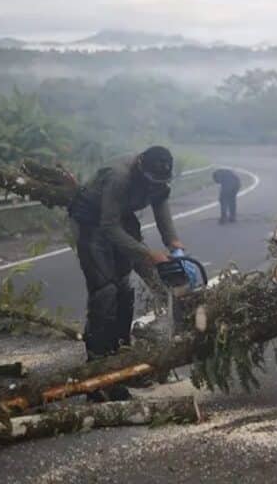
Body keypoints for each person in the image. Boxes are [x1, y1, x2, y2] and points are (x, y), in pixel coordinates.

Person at [68, 146, 187, 398]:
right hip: (92, 222)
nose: (155, 185)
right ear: (141, 167)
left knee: (124, 289)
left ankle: (122, 361)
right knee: (105, 291)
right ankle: (97, 375)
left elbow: (161, 208)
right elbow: (109, 227)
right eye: (151, 180)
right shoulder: (118, 177)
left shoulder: (158, 178)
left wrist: (172, 241)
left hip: (121, 219)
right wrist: (146, 254)